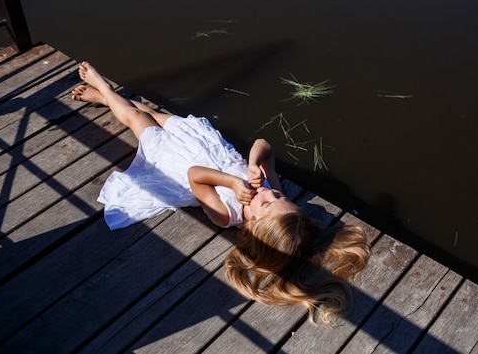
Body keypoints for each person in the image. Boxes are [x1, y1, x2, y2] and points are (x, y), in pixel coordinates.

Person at [72, 61, 371, 323]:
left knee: (137, 120)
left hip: (174, 160)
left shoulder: (224, 215)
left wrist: (231, 183)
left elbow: (195, 177)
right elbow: (265, 147)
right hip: (201, 143)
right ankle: (105, 99)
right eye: (280, 198)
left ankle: (103, 87)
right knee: (152, 114)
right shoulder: (270, 194)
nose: (270, 195)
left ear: (251, 225)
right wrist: (254, 164)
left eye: (268, 203)